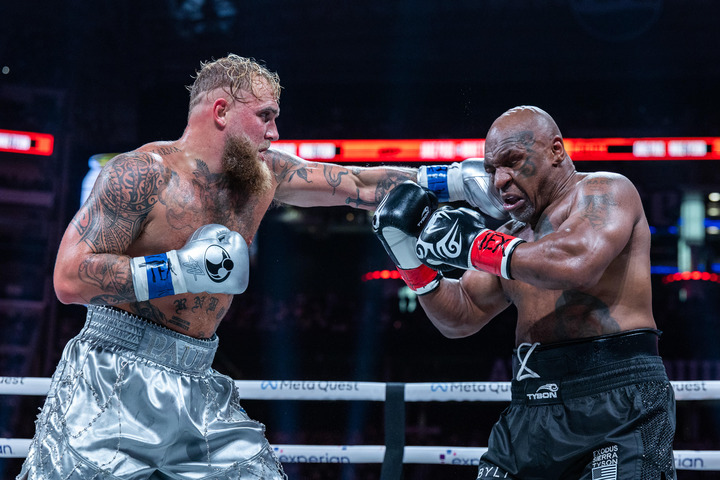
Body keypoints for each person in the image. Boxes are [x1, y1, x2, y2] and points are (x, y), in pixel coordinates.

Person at [18, 53, 467, 480]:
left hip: (197, 379)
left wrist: (457, 181)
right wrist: (179, 270)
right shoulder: (142, 173)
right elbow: (69, 277)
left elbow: (358, 183)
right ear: (221, 111)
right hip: (112, 375)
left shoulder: (264, 175)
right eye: (265, 116)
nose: (275, 132)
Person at [373, 106, 676, 479]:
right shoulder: (512, 238)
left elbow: (576, 261)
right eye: (491, 170)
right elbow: (460, 317)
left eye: (512, 161)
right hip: (530, 409)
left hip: (617, 404)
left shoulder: (606, 190)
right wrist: (410, 261)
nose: (500, 180)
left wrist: (476, 245)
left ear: (556, 151)